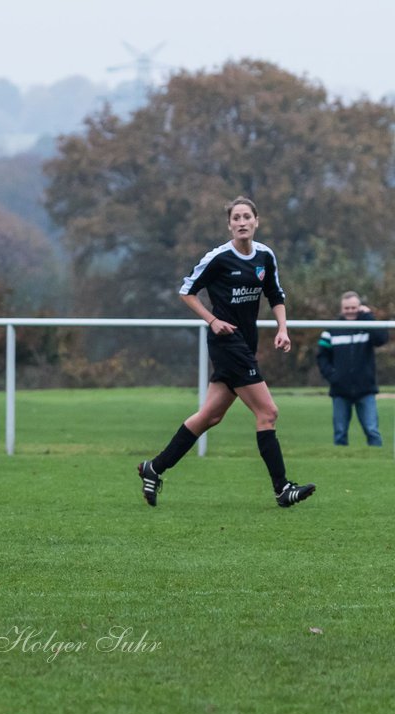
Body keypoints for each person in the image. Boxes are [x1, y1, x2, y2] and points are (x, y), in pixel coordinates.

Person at [137, 196, 315, 508]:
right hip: (226, 345)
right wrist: (212, 319)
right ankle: (282, 488)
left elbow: (275, 293)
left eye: (247, 217)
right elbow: (186, 291)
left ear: (256, 221)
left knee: (210, 416)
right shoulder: (219, 258)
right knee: (268, 412)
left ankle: (154, 468)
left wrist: (283, 328)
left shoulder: (265, 256)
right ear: (229, 224)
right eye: (236, 218)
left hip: (246, 343)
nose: (242, 222)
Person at [317, 291, 387, 446]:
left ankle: (376, 461)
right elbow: (322, 357)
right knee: (340, 433)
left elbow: (381, 339)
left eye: (353, 307)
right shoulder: (331, 329)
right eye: (347, 308)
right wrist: (333, 376)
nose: (350, 311)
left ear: (360, 307)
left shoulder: (367, 325)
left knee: (372, 431)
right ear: (342, 309)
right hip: (340, 390)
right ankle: (340, 463)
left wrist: (369, 317)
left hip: (366, 389)